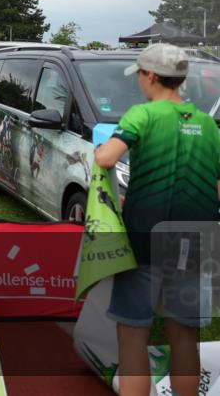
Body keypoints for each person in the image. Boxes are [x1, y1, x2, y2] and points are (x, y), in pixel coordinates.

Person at [94, 44, 220, 396]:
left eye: (138, 74)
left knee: (133, 333)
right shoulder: (209, 124)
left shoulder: (143, 115)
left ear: (150, 75)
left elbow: (107, 158)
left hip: (146, 239)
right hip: (196, 240)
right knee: (184, 333)